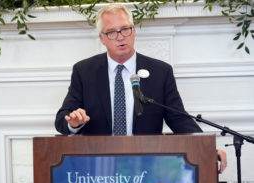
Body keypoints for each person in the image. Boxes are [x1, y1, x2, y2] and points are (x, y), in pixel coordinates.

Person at [55, 3, 227, 173]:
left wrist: (207, 148)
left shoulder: (160, 71)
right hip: (98, 168)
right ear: (102, 38)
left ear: (134, 31)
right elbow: (62, 119)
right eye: (112, 32)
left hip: (146, 167)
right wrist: (74, 124)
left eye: (125, 29)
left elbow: (179, 119)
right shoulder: (84, 71)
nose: (120, 37)